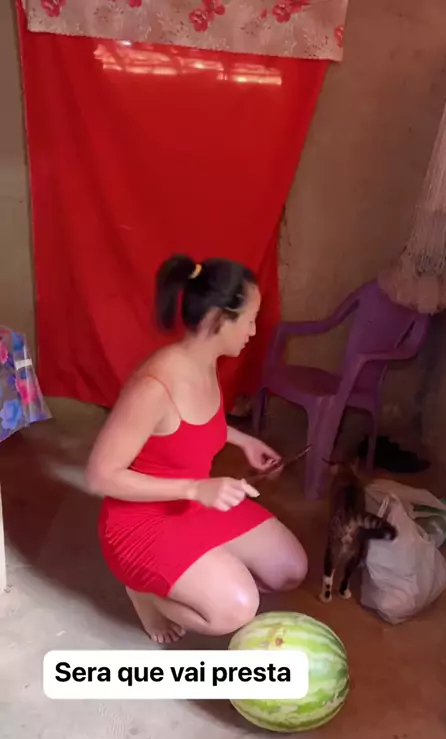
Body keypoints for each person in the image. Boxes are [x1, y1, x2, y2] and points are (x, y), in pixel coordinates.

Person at [86, 254, 308, 643]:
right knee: (237, 607)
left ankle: (200, 572)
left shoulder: (205, 360)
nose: (254, 331)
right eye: (249, 319)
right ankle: (144, 592)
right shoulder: (154, 385)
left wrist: (244, 441)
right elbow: (99, 476)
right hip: (140, 521)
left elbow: (193, 425)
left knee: (291, 569)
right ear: (218, 319)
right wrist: (193, 489)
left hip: (193, 501)